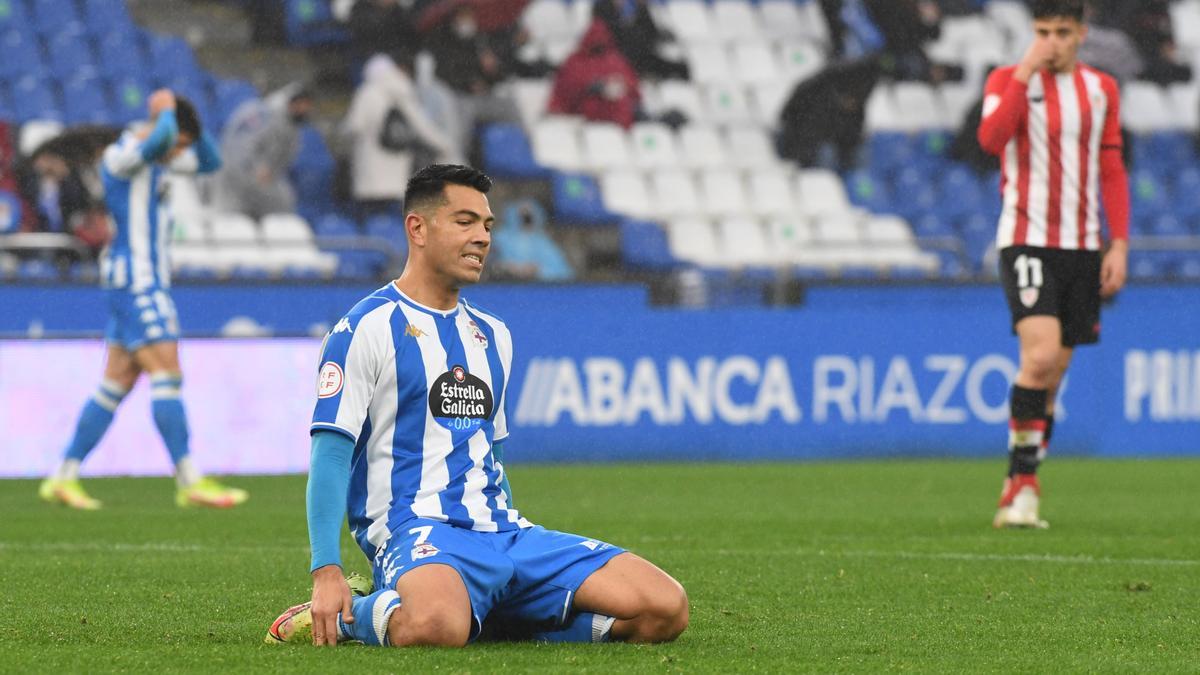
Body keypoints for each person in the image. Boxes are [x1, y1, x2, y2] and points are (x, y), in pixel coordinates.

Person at [265, 164, 687, 647]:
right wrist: (326, 570)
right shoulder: (366, 327)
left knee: (663, 609)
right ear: (417, 228)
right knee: (436, 626)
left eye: (487, 225)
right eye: (465, 221)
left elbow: (493, 454)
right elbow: (331, 453)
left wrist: (505, 526)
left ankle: (486, 614)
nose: (482, 237)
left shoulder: (493, 336)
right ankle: (352, 614)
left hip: (504, 534)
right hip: (417, 530)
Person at [39, 90, 248, 510]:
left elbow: (210, 161)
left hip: (141, 279)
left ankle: (63, 475)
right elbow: (157, 142)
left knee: (116, 382)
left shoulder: (162, 156)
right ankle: (189, 479)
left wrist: (190, 123)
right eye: (179, 143)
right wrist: (165, 111)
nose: (180, 154)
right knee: (168, 372)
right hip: (137, 280)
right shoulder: (126, 152)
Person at [976, 0, 1128, 529]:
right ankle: (1023, 484)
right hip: (1027, 240)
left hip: (1084, 246)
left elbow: (1111, 167)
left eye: (1062, 32)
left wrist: (1120, 243)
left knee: (1054, 376)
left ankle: (1020, 483)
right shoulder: (1006, 80)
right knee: (1038, 358)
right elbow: (991, 140)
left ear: (1081, 33)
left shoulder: (1101, 90)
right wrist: (1023, 71)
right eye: (1042, 31)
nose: (1051, 42)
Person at [341, 54, 458, 220]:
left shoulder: (367, 93)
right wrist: (445, 145)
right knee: (395, 223)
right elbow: (422, 126)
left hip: (369, 176)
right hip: (397, 177)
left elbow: (355, 126)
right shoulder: (404, 92)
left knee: (371, 221)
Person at [213, 83, 314, 220]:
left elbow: (282, 161)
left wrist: (268, 173)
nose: (303, 109)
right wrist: (257, 169)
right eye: (300, 104)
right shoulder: (262, 115)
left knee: (284, 205)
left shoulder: (292, 129)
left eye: (306, 105)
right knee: (235, 223)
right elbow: (240, 146)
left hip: (262, 183)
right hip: (235, 179)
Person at [547, 20, 641, 129]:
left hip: (617, 111)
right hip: (584, 112)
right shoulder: (575, 61)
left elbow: (632, 85)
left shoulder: (615, 60)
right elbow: (567, 91)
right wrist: (593, 87)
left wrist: (621, 85)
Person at [490, 199, 575, 282]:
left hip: (537, 289)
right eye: (522, 216)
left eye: (528, 216)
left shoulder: (543, 242)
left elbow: (563, 273)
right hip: (505, 287)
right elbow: (490, 264)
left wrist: (538, 271)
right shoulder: (500, 238)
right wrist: (507, 267)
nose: (525, 219)